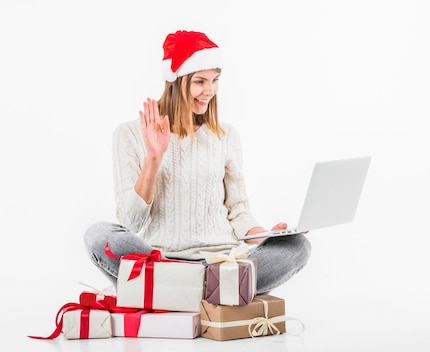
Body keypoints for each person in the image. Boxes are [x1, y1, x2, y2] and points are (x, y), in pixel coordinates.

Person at [83, 30, 311, 295]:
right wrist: (154, 158)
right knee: (98, 235)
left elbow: (238, 212)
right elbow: (130, 221)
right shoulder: (130, 134)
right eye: (200, 82)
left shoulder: (225, 136)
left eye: (215, 81)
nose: (210, 91)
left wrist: (268, 236)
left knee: (298, 247)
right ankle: (214, 293)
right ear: (176, 81)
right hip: (162, 261)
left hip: (222, 263)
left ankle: (180, 292)